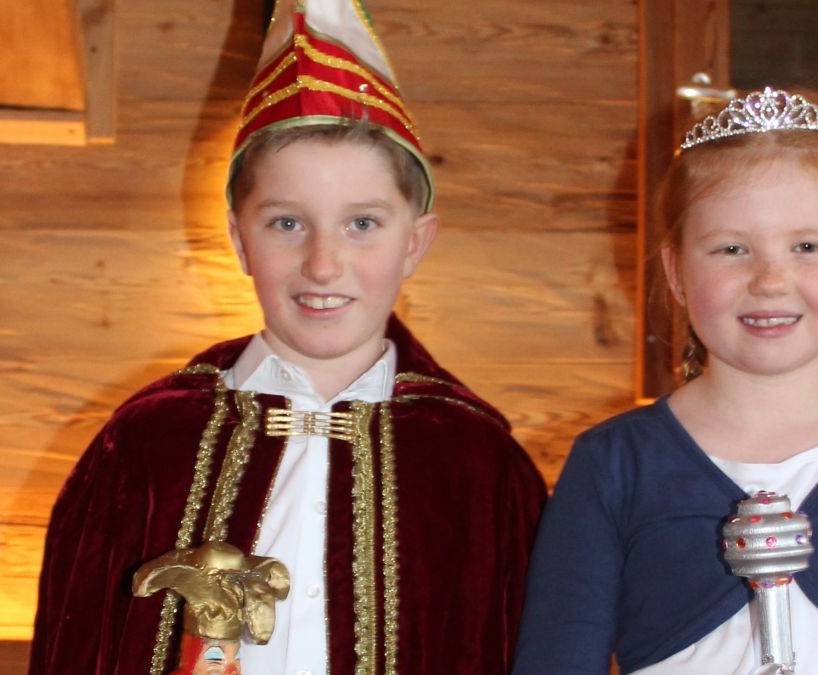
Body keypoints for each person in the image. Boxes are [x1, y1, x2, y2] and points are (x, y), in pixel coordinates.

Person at [29, 2, 546, 673]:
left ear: (416, 242)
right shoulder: (144, 445)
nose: (323, 263)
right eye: (285, 223)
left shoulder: (480, 463)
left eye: (363, 223)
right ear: (240, 239)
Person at [512, 88, 818, 675]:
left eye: (807, 247)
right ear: (676, 271)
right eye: (732, 248)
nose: (771, 279)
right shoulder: (613, 462)